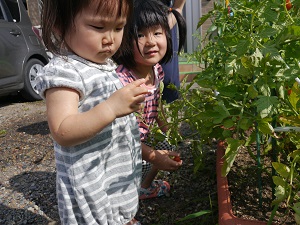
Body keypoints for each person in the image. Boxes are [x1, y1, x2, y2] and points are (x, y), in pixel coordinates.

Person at [36, 0, 149, 224]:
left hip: (112, 173)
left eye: (118, 28)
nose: (110, 39)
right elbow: (62, 130)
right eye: (98, 28)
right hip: (91, 187)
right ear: (60, 24)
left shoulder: (104, 65)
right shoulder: (65, 71)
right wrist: (111, 107)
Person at [113, 0, 186, 200]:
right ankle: (125, 195)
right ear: (125, 40)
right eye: (140, 35)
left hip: (140, 139)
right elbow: (121, 137)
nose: (151, 41)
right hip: (121, 146)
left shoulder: (156, 70)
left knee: (168, 145)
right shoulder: (123, 82)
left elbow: (158, 104)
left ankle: (143, 186)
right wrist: (154, 156)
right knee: (153, 157)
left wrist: (168, 130)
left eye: (157, 32)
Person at [161, 0, 186, 104]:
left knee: (166, 80)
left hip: (164, 27)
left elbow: (177, 7)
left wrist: (159, 30)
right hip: (130, 30)